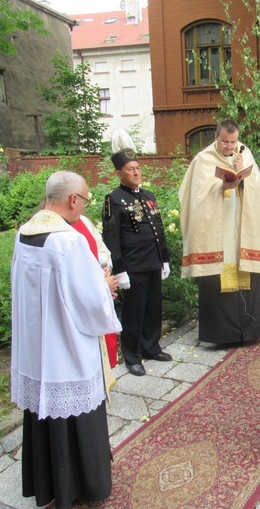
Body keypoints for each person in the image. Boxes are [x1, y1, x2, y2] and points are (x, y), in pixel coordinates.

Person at [11, 170, 122, 509]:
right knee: (76, 413)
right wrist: (106, 288)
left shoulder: (24, 232)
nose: (84, 207)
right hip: (67, 347)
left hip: (37, 346)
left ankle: (49, 484)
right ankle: (84, 485)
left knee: (45, 411)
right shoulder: (68, 240)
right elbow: (88, 300)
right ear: (73, 200)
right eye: (85, 200)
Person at [178, 120, 260, 345]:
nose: (230, 146)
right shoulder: (203, 159)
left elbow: (258, 191)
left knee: (245, 271)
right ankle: (221, 334)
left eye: (233, 141)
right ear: (216, 136)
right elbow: (194, 197)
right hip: (217, 229)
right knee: (218, 276)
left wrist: (242, 175)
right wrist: (220, 186)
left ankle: (250, 330)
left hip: (241, 224)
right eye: (225, 142)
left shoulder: (244, 153)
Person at [102, 146, 173, 377]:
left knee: (153, 309)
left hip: (153, 263)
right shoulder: (114, 199)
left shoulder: (148, 196)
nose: (136, 172)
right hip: (132, 267)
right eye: (130, 169)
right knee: (133, 313)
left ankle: (151, 347)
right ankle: (132, 357)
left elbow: (158, 230)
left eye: (138, 168)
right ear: (119, 173)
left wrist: (164, 260)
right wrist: (119, 270)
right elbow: (111, 238)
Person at [72, 213, 120, 368]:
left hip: (99, 288)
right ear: (72, 199)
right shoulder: (59, 232)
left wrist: (105, 268)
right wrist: (102, 285)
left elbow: (101, 250)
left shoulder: (83, 220)